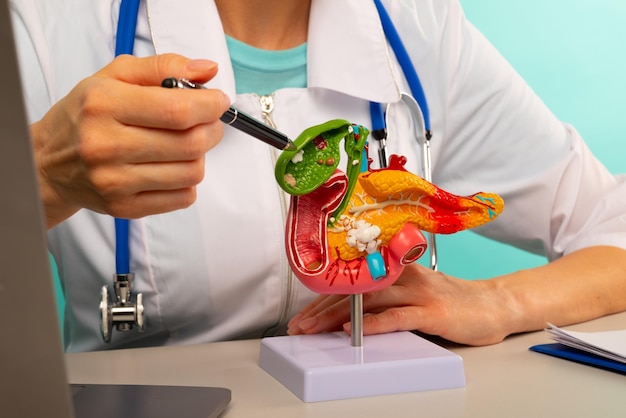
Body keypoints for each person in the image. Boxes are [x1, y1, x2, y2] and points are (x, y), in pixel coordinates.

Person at [10, 0, 626, 352]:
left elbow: (613, 223)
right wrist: (40, 176)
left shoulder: (417, 27)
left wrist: (499, 300)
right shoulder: (43, 26)